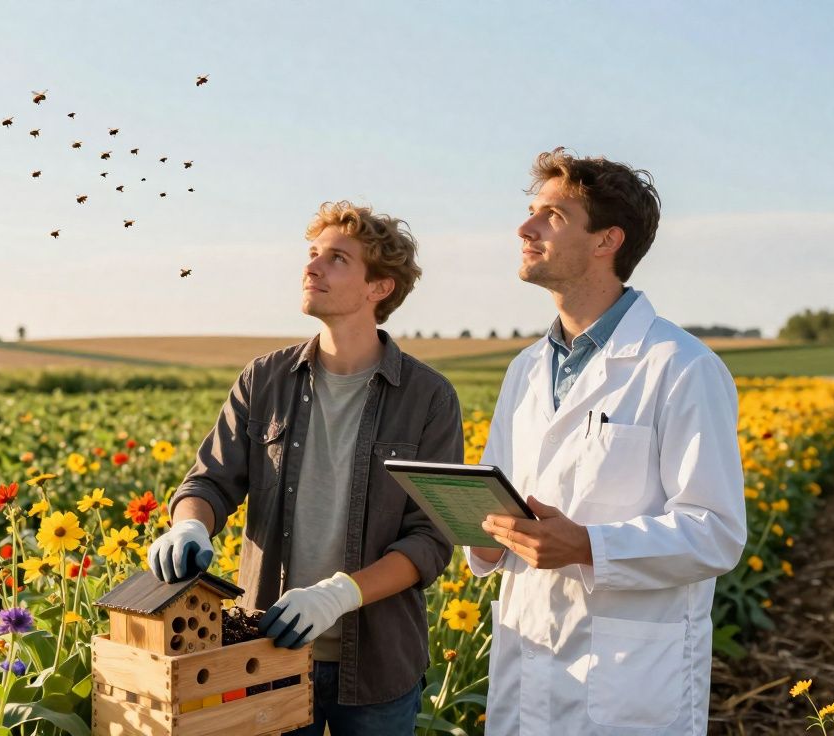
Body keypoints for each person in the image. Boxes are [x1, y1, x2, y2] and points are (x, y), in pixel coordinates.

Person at [151, 201, 462, 734]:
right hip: (265, 654)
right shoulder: (265, 379)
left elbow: (430, 540)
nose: (312, 267)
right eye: (313, 254)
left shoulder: (428, 397)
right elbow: (209, 480)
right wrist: (189, 523)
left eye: (337, 258)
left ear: (378, 288)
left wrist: (338, 594)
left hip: (378, 668)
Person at [468, 148, 747, 734]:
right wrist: (485, 536)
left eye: (553, 216)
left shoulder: (682, 367)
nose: (526, 227)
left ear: (606, 241)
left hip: (629, 684)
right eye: (530, 212)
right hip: (527, 668)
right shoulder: (525, 369)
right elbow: (504, 498)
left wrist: (588, 545)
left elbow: (716, 533)